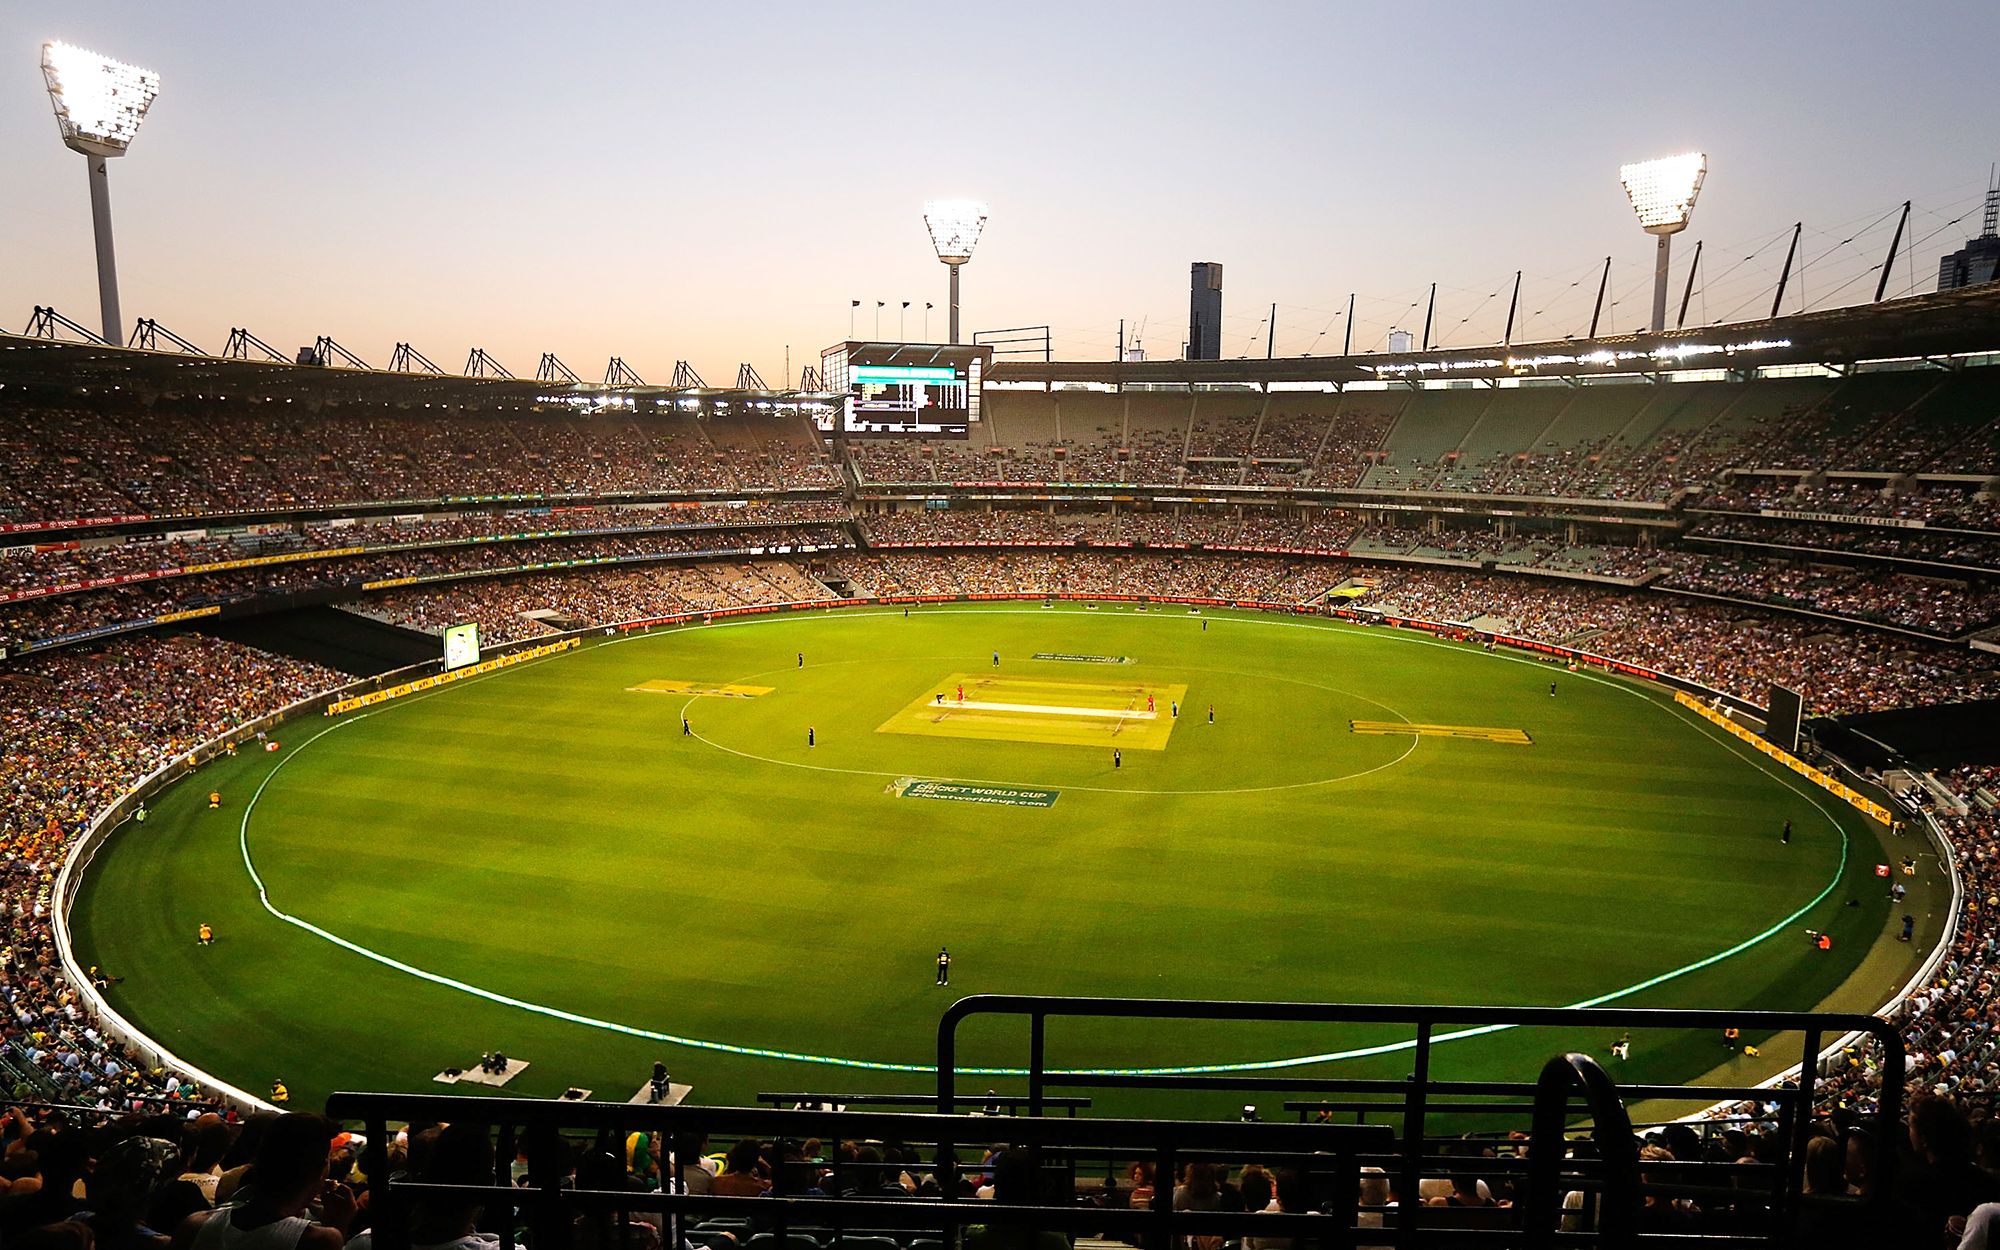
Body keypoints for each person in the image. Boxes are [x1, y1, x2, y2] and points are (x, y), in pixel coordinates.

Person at [172, 1113, 352, 1250]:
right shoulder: (320, 1241)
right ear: (319, 1171)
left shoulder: (194, 1225)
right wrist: (338, 1224)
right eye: (327, 1159)